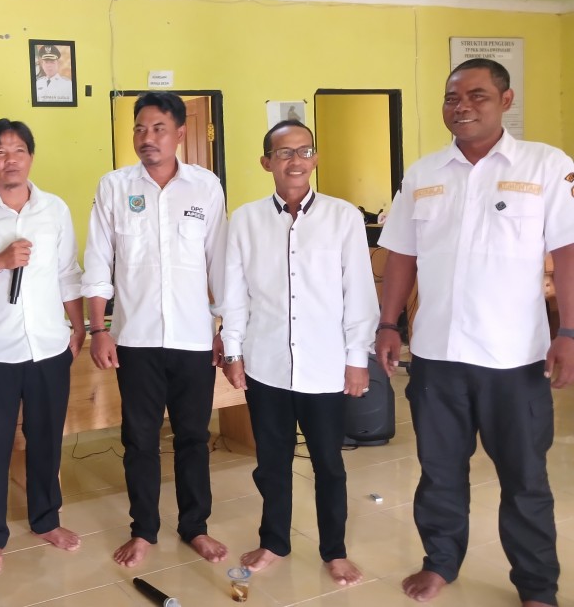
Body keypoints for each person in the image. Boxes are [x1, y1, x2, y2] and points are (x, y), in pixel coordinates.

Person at [376, 58, 574, 606]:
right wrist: (389, 323)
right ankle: (440, 562)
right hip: (437, 356)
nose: (461, 106)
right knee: (439, 472)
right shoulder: (423, 174)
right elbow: (401, 255)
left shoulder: (546, 165)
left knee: (525, 479)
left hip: (515, 360)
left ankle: (536, 586)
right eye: (452, 97)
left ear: (506, 101)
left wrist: (569, 330)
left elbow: (568, 252)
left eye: (477, 95)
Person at [220, 119, 377, 587]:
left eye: (304, 151)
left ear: (315, 159)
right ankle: (274, 541)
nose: (295, 161)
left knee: (329, 463)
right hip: (266, 364)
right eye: (284, 153)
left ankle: (335, 551)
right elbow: (234, 293)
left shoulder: (342, 217)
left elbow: (359, 293)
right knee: (272, 462)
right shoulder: (246, 220)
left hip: (325, 366)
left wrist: (357, 358)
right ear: (266, 162)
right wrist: (233, 352)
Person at [82, 90, 228, 568]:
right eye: (140, 128)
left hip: (193, 337)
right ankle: (143, 529)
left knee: (193, 437)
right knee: (139, 440)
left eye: (159, 128)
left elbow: (220, 262)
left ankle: (195, 527)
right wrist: (98, 328)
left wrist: (226, 327)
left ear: (180, 133)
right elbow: (98, 260)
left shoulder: (205, 187)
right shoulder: (114, 187)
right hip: (135, 338)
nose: (148, 137)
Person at [0, 119, 85, 575]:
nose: (11, 160)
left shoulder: (54, 209)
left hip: (48, 346)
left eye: (19, 150)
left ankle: (46, 520)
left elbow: (68, 272)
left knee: (46, 439)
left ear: (31, 157)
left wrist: (78, 326)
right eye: (0, 153)